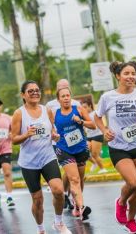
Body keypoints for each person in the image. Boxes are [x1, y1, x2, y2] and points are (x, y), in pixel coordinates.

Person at [95, 61, 136, 233]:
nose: (130, 77)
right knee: (133, 182)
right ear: (118, 76)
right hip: (119, 147)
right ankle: (121, 202)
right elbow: (97, 117)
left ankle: (131, 220)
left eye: (133, 74)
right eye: (126, 73)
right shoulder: (108, 97)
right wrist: (104, 130)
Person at [11, 80, 71, 234]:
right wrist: (26, 134)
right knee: (37, 199)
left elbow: (53, 132)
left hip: (47, 157)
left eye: (37, 90)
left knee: (58, 190)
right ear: (23, 95)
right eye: (30, 91)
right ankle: (41, 229)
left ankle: (59, 222)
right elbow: (13, 139)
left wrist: (55, 136)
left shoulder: (47, 110)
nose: (35, 93)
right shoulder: (19, 113)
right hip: (29, 162)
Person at [54, 87, 95, 221]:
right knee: (74, 179)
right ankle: (82, 207)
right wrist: (53, 135)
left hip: (80, 149)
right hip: (64, 150)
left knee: (80, 180)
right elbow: (49, 129)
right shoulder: (54, 113)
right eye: (63, 96)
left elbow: (92, 125)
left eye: (68, 95)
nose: (66, 98)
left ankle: (76, 204)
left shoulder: (79, 109)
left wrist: (81, 121)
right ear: (58, 99)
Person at [46, 79, 79, 210]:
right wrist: (52, 134)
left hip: (76, 141)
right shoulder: (50, 105)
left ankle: (69, 194)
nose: (64, 90)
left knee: (73, 173)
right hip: (58, 142)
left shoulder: (76, 103)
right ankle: (68, 196)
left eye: (66, 87)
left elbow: (82, 121)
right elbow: (48, 123)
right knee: (68, 169)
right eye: (61, 88)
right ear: (57, 90)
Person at [81, 100, 107, 174]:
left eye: (85, 107)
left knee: (95, 154)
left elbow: (97, 124)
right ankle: (94, 163)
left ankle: (103, 168)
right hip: (89, 136)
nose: (84, 109)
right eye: (82, 108)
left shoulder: (95, 113)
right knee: (84, 152)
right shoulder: (84, 116)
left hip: (97, 135)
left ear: (90, 106)